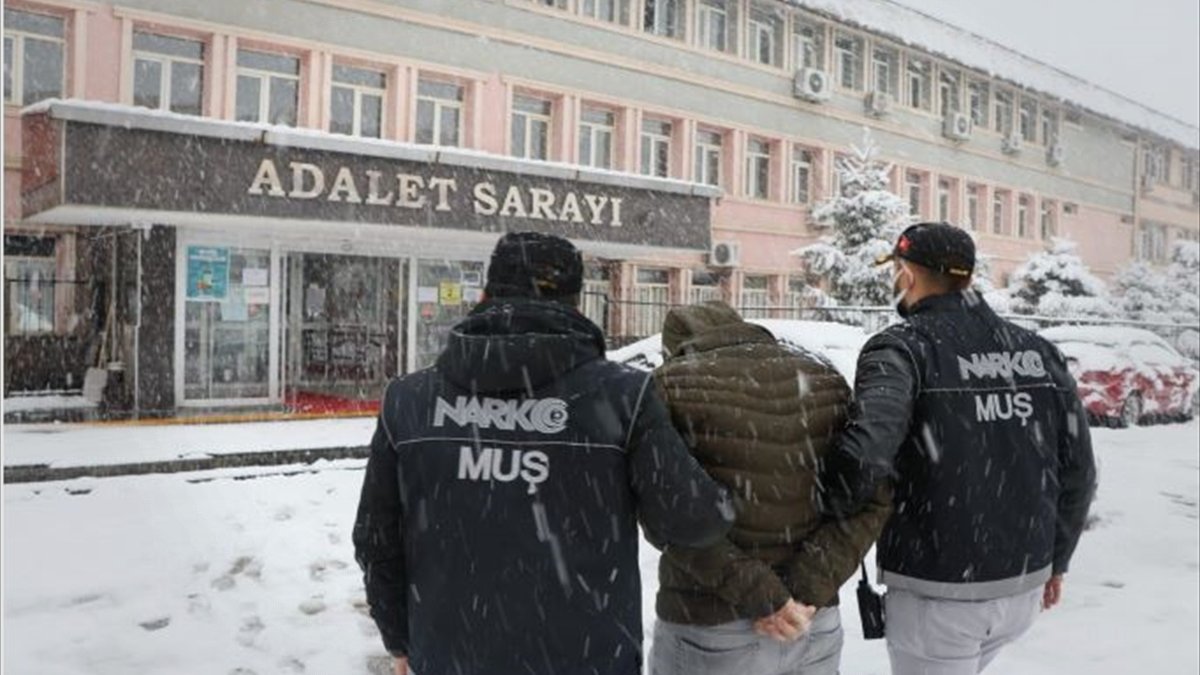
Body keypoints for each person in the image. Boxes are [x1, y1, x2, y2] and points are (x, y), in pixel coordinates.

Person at [352, 231, 734, 675]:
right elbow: (691, 520)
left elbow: (376, 538)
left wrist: (401, 639)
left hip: (452, 654)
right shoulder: (622, 397)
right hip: (586, 658)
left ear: (486, 294)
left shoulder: (409, 399)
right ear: (576, 303)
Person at [822, 222, 1098, 675]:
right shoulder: (1036, 350)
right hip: (1023, 585)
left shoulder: (904, 348)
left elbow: (866, 455)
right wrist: (1056, 560)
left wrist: (819, 507)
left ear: (908, 275)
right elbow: (1080, 470)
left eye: (897, 271)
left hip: (942, 595)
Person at [648, 301, 893, 675]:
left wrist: (764, 599)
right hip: (812, 622)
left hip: (710, 626)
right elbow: (870, 493)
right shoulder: (824, 377)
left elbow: (667, 512)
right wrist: (805, 590)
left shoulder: (668, 387)